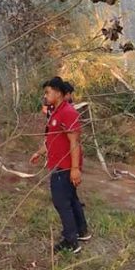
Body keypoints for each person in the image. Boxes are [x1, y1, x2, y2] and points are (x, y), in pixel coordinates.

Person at [30, 77, 86, 254]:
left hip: (65, 167)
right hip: (58, 164)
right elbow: (52, 139)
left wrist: (75, 169)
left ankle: (71, 241)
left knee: (61, 203)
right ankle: (81, 231)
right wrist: (39, 153)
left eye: (48, 92)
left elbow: (74, 143)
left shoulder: (68, 113)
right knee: (71, 199)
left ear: (59, 93)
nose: (45, 96)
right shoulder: (56, 112)